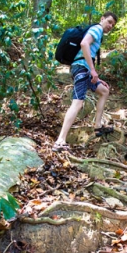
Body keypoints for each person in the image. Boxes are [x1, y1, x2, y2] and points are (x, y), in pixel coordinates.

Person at [52, 11, 118, 152]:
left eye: (113, 25)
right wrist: (93, 70)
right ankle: (60, 141)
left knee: (104, 91)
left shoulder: (98, 32)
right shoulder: (97, 29)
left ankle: (98, 125)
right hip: (82, 69)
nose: (110, 26)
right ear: (102, 19)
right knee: (78, 103)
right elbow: (84, 44)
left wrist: (96, 76)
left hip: (85, 70)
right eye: (109, 22)